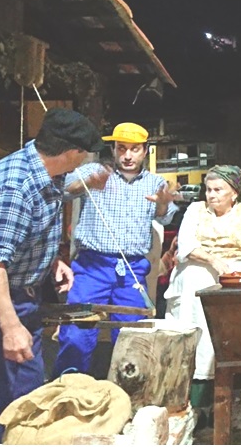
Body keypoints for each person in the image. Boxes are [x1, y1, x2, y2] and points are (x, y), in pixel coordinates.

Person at [0, 108, 105, 444]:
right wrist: (10, 326)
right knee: (0, 399)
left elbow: (47, 210)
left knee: (27, 394)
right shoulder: (15, 186)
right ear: (71, 152)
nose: (83, 160)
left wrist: (51, 261)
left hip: (25, 299)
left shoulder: (45, 172)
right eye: (82, 154)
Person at [55, 122, 179, 376]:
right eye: (122, 148)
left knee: (133, 338)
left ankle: (130, 397)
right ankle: (67, 389)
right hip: (92, 267)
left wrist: (164, 205)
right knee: (76, 333)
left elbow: (165, 218)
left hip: (132, 271)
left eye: (134, 149)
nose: (127, 155)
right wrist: (83, 184)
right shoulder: (93, 171)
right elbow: (63, 190)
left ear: (145, 151)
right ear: (113, 149)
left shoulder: (156, 183)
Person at [165, 165, 241, 418]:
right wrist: (214, 261)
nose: (211, 195)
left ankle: (232, 399)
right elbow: (187, 246)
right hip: (196, 273)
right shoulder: (195, 211)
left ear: (234, 193)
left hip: (233, 273)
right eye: (208, 190)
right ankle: (193, 401)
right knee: (196, 326)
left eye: (218, 190)